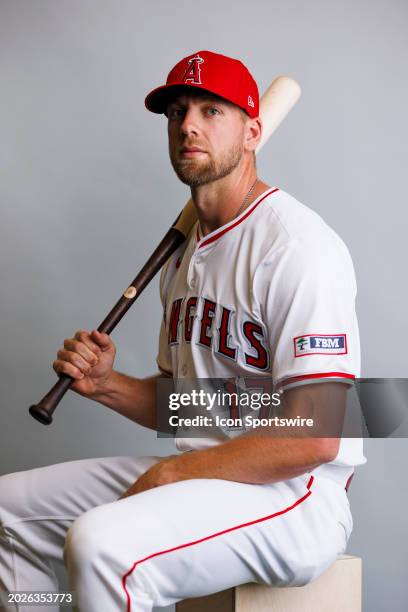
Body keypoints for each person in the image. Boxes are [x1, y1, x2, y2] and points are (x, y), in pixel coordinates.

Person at [0, 50, 365, 612]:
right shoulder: (185, 253)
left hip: (295, 495)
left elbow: (313, 436)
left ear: (252, 132)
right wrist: (107, 384)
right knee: (8, 510)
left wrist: (174, 472)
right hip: (211, 467)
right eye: (177, 111)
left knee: (103, 545)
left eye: (210, 110)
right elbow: (196, 408)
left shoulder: (297, 247)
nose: (188, 124)